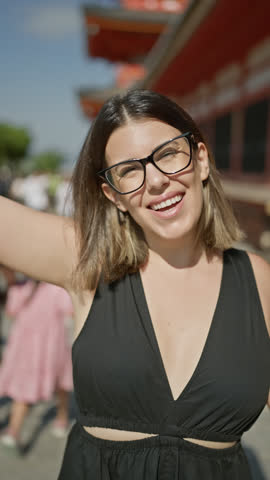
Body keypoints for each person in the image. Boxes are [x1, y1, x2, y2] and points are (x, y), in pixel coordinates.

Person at [0, 89, 269, 478]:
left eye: (169, 154)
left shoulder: (257, 280)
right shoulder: (88, 261)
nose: (156, 181)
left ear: (202, 160)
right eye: (129, 170)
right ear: (114, 196)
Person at [0, 280, 73, 448]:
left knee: (59, 384)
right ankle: (14, 429)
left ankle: (62, 416)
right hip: (36, 349)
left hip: (44, 348)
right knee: (34, 387)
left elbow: (11, 311)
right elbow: (70, 311)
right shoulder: (29, 286)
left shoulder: (42, 286)